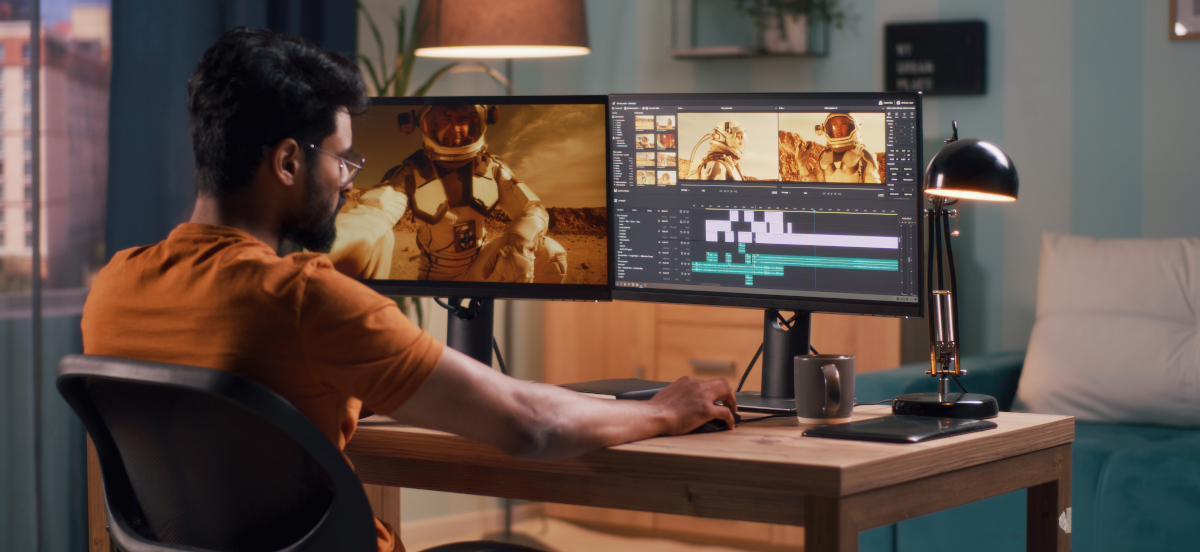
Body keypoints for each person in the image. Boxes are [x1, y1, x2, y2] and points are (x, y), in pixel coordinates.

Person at [80, 28, 737, 552]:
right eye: (340, 158)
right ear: (286, 162)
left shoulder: (112, 288)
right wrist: (662, 409)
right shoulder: (305, 298)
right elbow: (530, 427)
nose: (345, 179)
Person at [330, 104, 568, 282]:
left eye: (463, 118)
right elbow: (375, 213)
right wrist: (327, 243)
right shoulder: (412, 173)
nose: (455, 127)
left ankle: (505, 317)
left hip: (480, 266)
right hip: (437, 276)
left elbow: (533, 209)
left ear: (478, 121)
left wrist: (521, 237)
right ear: (428, 124)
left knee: (551, 255)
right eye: (445, 119)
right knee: (372, 240)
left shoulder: (492, 169)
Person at [809, 113, 880, 183]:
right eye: (834, 124)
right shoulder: (823, 155)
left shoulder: (863, 155)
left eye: (843, 123)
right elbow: (817, 184)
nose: (838, 128)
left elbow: (872, 188)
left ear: (851, 126)